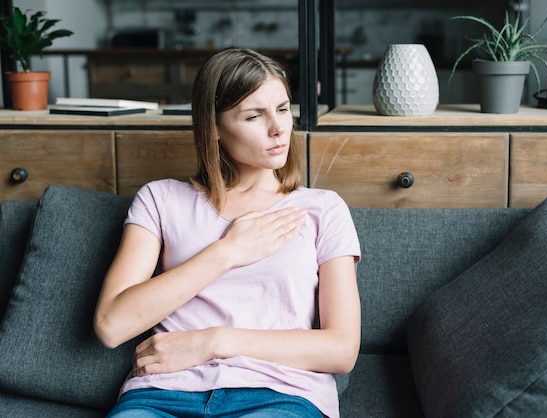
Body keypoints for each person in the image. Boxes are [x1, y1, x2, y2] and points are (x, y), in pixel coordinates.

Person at [93, 47, 361, 418]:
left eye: (283, 109)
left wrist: (213, 342)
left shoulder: (323, 208)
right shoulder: (161, 199)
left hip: (280, 396)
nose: (278, 128)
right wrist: (227, 252)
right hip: (161, 395)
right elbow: (111, 325)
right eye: (254, 115)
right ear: (214, 127)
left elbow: (342, 349)